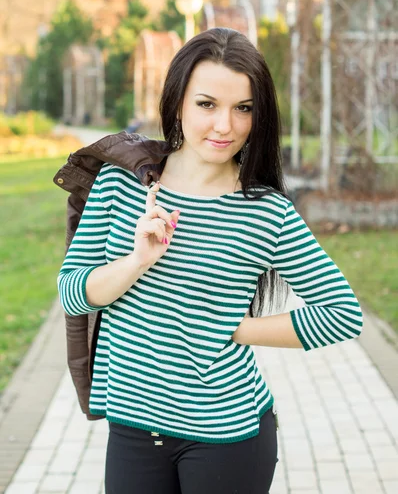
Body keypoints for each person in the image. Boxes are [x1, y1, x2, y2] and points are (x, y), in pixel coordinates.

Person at [57, 28, 363, 494]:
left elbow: (342, 316)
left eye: (244, 108)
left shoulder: (266, 210)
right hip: (133, 427)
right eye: (207, 104)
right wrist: (138, 260)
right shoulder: (120, 186)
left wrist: (232, 328)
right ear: (177, 100)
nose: (226, 126)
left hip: (226, 436)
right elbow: (72, 293)